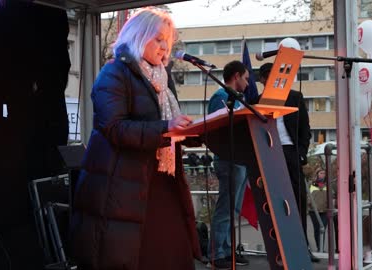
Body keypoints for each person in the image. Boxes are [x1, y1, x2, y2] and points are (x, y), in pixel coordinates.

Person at [69, 8, 201, 270]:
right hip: (122, 188)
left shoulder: (163, 78)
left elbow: (166, 128)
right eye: (158, 39)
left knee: (172, 255)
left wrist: (191, 132)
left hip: (163, 181)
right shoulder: (114, 73)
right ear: (138, 36)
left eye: (168, 40)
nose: (165, 47)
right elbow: (114, 128)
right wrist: (165, 127)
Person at [258, 63, 317, 262]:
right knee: (273, 200)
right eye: (265, 78)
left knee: (298, 199)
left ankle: (303, 247)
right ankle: (279, 249)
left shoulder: (295, 97)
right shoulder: (257, 102)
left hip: (291, 151)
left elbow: (305, 130)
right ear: (262, 81)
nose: (269, 81)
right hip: (269, 152)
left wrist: (301, 153)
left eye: (271, 77)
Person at [207, 60, 250, 269]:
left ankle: (227, 249)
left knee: (233, 209)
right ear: (236, 76)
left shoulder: (237, 99)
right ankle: (217, 254)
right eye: (246, 78)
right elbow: (219, 129)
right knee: (225, 208)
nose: (248, 84)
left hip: (240, 159)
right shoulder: (220, 98)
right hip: (228, 159)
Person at [308, 168, 328, 251]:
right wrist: (310, 203)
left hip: (324, 211)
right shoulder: (311, 184)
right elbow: (307, 196)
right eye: (321, 173)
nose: (322, 175)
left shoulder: (327, 185)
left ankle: (321, 248)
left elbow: (332, 196)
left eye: (324, 173)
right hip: (314, 211)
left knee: (323, 229)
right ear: (317, 174)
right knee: (317, 229)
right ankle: (318, 247)